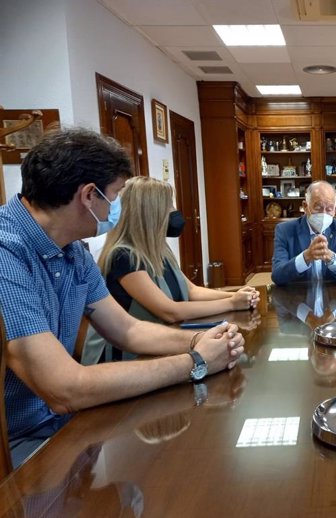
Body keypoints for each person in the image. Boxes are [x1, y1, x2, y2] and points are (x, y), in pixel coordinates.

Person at [0, 128, 244, 468]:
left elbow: (128, 329)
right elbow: (63, 388)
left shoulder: (73, 250)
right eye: (114, 196)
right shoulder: (6, 254)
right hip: (19, 444)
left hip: (65, 424)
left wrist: (201, 339)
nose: (117, 208)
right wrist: (196, 362)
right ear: (89, 195)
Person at [81, 176, 259, 364]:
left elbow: (192, 291)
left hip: (161, 342)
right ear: (151, 213)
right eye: (168, 206)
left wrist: (237, 295)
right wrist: (232, 303)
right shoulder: (123, 257)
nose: (174, 213)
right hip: (126, 357)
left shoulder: (159, 249)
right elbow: (170, 311)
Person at [271, 181, 336, 285]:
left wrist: (331, 258)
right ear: (305, 206)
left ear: (335, 209)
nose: (324, 214)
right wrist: (305, 257)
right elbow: (277, 276)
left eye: (329, 209)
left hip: (334, 296)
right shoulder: (284, 230)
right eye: (318, 208)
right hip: (298, 296)